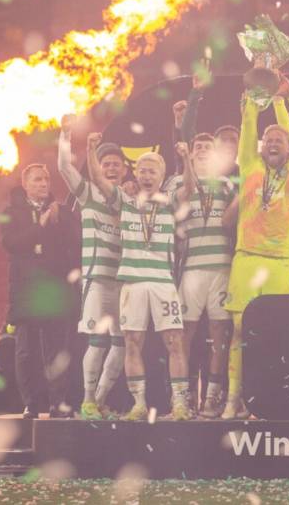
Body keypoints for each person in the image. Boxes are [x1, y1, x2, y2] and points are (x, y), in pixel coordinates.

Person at [223, 73, 289, 419]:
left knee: (278, 331)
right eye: (268, 139)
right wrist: (251, 98)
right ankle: (233, 400)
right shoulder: (249, 167)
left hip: (279, 263)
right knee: (238, 331)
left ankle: (273, 397)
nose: (273, 142)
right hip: (246, 259)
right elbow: (248, 124)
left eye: (279, 139)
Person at [87, 134, 196, 421]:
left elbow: (189, 187)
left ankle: (181, 404)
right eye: (143, 170)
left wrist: (186, 159)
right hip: (132, 283)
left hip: (162, 283)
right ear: (135, 172)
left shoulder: (170, 201)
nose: (147, 175)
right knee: (132, 342)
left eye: (153, 170)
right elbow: (98, 179)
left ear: (162, 176)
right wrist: (89, 148)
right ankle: (138, 404)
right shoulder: (124, 200)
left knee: (175, 341)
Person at [58, 114, 128, 420]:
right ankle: (87, 399)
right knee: (97, 343)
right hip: (98, 279)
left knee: (123, 344)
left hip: (125, 281)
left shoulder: (130, 200)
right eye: (106, 163)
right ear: (99, 167)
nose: (111, 168)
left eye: (116, 164)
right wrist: (65, 134)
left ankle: (98, 400)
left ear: (125, 169)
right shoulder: (87, 194)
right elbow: (63, 167)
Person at [0, 163, 80, 419]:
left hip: (54, 290)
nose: (43, 184)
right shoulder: (11, 212)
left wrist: (60, 221)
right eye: (37, 180)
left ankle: (58, 402)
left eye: (46, 179)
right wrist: (40, 226)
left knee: (56, 349)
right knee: (26, 350)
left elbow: (75, 242)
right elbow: (11, 244)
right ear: (25, 184)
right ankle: (31, 403)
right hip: (26, 291)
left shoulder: (61, 211)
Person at [166, 131, 236, 418]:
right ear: (192, 153)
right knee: (184, 334)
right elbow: (184, 201)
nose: (204, 150)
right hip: (192, 268)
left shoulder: (226, 184)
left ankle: (211, 398)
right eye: (199, 147)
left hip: (222, 267)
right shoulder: (177, 182)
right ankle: (181, 399)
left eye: (209, 147)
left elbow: (235, 221)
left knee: (220, 335)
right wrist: (185, 165)